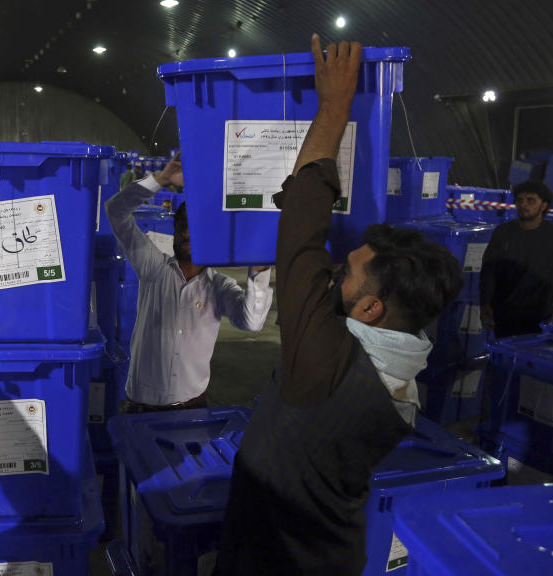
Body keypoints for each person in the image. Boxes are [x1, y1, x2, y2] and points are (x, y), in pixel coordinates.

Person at [216, 36, 463, 575]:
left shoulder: (324, 366)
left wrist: (333, 107)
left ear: (372, 309)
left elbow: (303, 223)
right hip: (333, 554)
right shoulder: (404, 373)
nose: (331, 271)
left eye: (345, 272)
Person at [105, 154, 273, 412]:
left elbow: (251, 322)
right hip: (141, 408)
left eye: (194, 228)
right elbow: (116, 211)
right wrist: (161, 180)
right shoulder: (154, 268)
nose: (185, 233)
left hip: (193, 408)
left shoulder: (220, 287)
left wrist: (259, 268)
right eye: (181, 226)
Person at [480, 180, 553, 338]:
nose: (524, 204)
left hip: (541, 317)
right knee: (504, 358)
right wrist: (485, 303)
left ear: (543, 205)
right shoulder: (502, 232)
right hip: (504, 314)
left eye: (531, 200)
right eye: (520, 200)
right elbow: (488, 270)